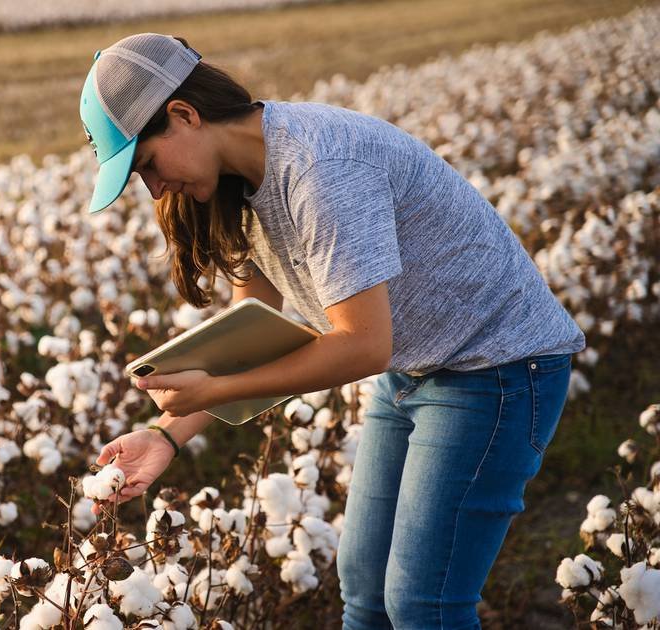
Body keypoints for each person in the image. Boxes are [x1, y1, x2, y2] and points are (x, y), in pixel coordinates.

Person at [80, 32, 586, 629]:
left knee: (423, 604)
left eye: (147, 166)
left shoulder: (322, 169)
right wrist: (164, 436)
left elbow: (364, 344)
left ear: (184, 115)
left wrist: (213, 392)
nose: (156, 189)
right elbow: (252, 336)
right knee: (365, 593)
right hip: (417, 369)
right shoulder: (243, 180)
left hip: (497, 371)